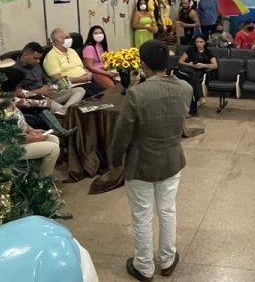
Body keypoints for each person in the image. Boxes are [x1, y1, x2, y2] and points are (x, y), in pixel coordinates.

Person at [110, 40, 192, 282]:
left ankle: (144, 267)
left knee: (142, 215)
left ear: (143, 64)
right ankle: (167, 259)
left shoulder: (137, 93)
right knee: (167, 210)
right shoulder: (185, 88)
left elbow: (122, 134)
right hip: (171, 159)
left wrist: (115, 160)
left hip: (141, 163)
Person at [12, 42, 86, 114]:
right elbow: (17, 94)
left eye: (39, 58)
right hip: (37, 99)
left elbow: (44, 78)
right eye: (35, 58)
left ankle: (64, 110)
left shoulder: (35, 64)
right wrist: (39, 91)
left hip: (49, 93)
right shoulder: (15, 70)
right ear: (25, 54)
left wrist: (49, 85)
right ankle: (65, 112)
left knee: (80, 90)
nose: (38, 61)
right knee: (69, 111)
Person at [43, 28, 103, 96]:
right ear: (56, 41)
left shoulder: (72, 51)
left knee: (104, 93)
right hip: (73, 87)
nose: (70, 39)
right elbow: (57, 79)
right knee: (94, 97)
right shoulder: (51, 57)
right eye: (66, 37)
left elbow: (82, 67)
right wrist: (79, 79)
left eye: (69, 37)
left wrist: (88, 73)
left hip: (87, 82)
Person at [175, 35, 217, 115]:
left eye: (201, 42)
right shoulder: (191, 50)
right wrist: (189, 64)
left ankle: (192, 110)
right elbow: (180, 61)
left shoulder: (208, 52)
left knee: (193, 81)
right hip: (186, 70)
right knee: (192, 73)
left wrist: (202, 65)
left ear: (205, 42)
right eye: (197, 42)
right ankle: (200, 97)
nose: (199, 44)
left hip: (198, 72)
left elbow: (215, 65)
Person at [81, 26, 116, 90]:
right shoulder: (89, 47)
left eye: (100, 33)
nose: (99, 35)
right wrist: (106, 73)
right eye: (96, 33)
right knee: (112, 87)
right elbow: (90, 67)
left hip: (106, 69)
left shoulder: (103, 45)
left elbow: (110, 58)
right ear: (91, 35)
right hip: (96, 72)